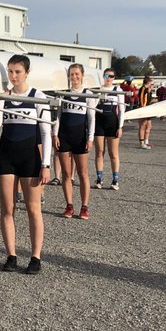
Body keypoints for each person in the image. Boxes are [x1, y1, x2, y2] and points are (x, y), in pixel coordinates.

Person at [0, 54, 52, 274]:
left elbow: (46, 132)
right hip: (6, 156)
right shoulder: (5, 96)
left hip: (30, 158)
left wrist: (46, 164)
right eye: (10, 71)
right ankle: (11, 255)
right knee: (7, 208)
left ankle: (36, 257)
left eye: (17, 72)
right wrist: (2, 98)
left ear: (27, 73)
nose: (13, 76)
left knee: (33, 209)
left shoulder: (38, 96)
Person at [53, 62, 96, 220]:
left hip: (80, 137)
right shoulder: (63, 94)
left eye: (77, 74)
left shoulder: (88, 94)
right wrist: (55, 134)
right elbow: (58, 116)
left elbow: (91, 118)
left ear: (82, 75)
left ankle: (84, 206)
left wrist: (90, 138)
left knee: (83, 174)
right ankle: (69, 205)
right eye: (72, 74)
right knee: (66, 174)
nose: (74, 77)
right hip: (64, 137)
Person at [93, 69, 125, 190]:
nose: (108, 78)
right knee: (99, 152)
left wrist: (120, 127)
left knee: (113, 153)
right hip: (99, 123)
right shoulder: (99, 88)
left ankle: (115, 180)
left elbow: (122, 110)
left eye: (111, 76)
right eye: (106, 76)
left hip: (112, 123)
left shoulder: (118, 90)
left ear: (114, 78)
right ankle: (99, 178)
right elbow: (94, 105)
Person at [137, 76, 154, 148]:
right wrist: (143, 109)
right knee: (143, 125)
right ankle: (141, 143)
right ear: (148, 82)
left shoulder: (148, 89)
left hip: (148, 109)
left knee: (149, 126)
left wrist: (150, 90)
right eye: (152, 84)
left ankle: (146, 141)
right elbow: (141, 99)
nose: (153, 85)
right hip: (144, 109)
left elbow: (149, 100)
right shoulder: (143, 89)